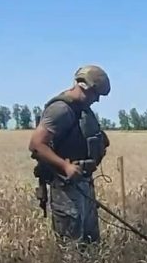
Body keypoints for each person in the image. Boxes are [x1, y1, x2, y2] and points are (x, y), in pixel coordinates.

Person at [28, 65, 111, 246]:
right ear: (84, 87)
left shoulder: (82, 110)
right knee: (71, 246)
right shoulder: (61, 110)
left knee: (91, 244)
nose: (97, 100)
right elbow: (36, 144)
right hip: (66, 185)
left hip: (84, 182)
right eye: (95, 94)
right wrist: (65, 166)